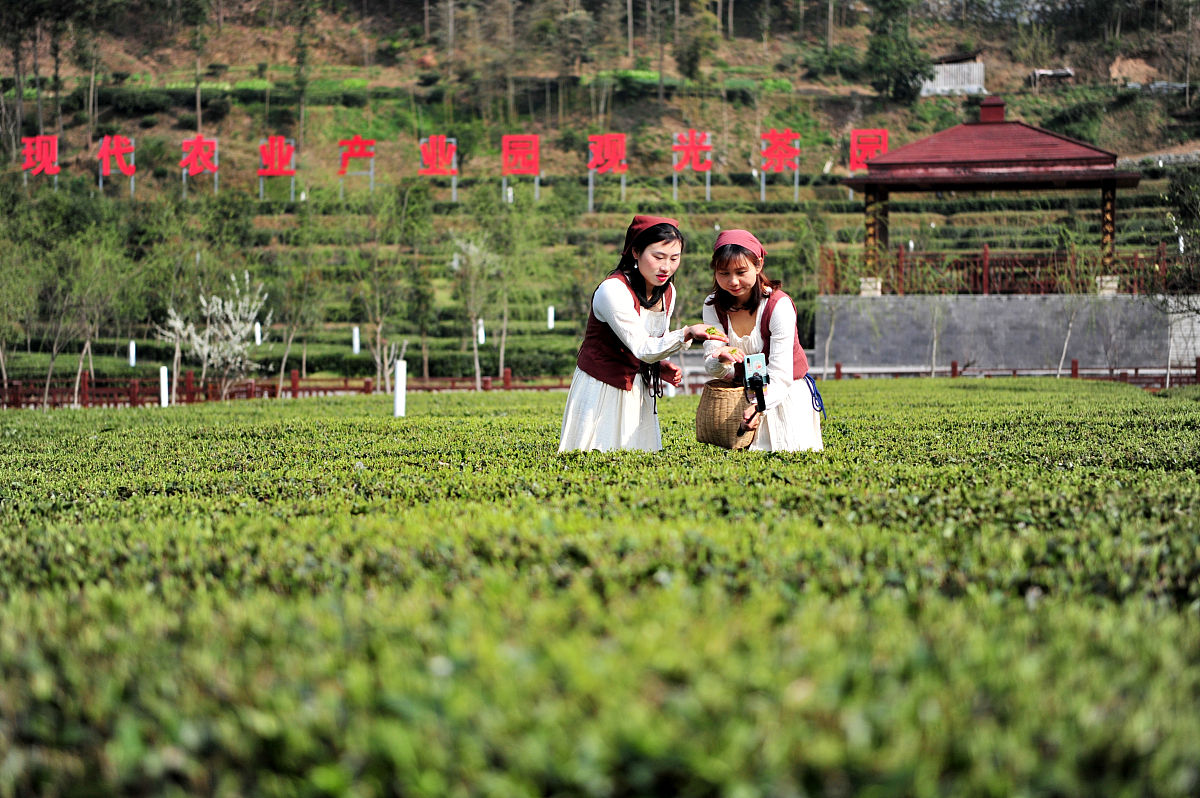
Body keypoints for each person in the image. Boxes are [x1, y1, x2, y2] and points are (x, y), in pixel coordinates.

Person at [559, 215, 728, 452]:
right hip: (601, 386)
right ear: (636, 252)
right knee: (594, 454)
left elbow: (656, 342)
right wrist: (687, 333)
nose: (666, 267)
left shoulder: (668, 292)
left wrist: (659, 367)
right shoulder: (613, 290)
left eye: (674, 258)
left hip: (637, 388)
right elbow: (642, 347)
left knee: (637, 458)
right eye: (658, 257)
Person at [701, 229, 823, 452]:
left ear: (758, 265)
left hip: (784, 398)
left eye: (740, 271)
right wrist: (720, 359)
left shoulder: (779, 306)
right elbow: (713, 367)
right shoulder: (713, 306)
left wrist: (759, 406)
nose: (733, 281)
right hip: (739, 403)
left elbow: (781, 374)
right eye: (724, 273)